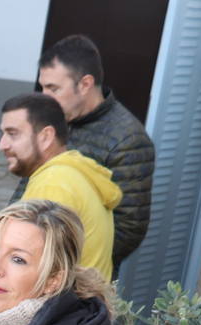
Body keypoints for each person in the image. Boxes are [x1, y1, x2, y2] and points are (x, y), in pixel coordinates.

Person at [36, 34, 155, 270]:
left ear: (85, 84)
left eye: (54, 88)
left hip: (73, 277)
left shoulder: (129, 139)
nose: (44, 97)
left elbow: (128, 229)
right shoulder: (57, 119)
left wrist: (65, 264)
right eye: (42, 87)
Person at [0, 93, 121, 280]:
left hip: (64, 306)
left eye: (13, 134)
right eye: (3, 134)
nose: (2, 145)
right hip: (83, 305)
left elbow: (33, 276)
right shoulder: (74, 171)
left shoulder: (53, 184)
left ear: (46, 137)